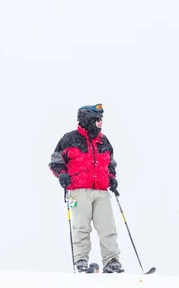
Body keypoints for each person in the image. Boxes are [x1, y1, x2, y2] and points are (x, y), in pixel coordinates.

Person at [49, 104, 123, 273]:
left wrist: (112, 178)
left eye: (101, 119)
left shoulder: (103, 141)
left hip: (101, 190)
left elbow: (110, 163)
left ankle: (111, 260)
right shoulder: (69, 139)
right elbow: (56, 161)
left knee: (108, 227)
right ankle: (81, 260)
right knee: (81, 227)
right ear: (86, 119)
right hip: (78, 190)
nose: (100, 123)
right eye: (97, 119)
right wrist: (62, 174)